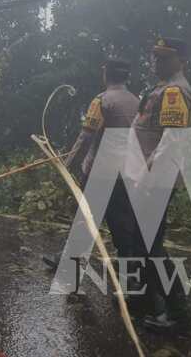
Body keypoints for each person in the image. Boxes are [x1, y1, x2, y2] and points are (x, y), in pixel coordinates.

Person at [43, 58, 139, 270]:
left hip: (100, 172)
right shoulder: (137, 102)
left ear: (106, 74)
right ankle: (131, 269)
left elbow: (86, 137)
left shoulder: (102, 101)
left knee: (86, 217)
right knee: (122, 222)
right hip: (126, 173)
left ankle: (69, 261)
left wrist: (66, 163)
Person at [128, 37, 191, 333]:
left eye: (165, 57)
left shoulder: (175, 90)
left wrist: (146, 175)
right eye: (155, 56)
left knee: (150, 246)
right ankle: (146, 300)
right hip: (148, 176)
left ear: (181, 60)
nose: (157, 61)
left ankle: (180, 314)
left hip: (155, 179)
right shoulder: (162, 87)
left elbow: (171, 139)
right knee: (142, 242)